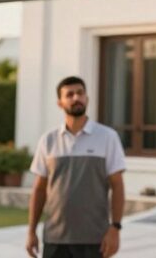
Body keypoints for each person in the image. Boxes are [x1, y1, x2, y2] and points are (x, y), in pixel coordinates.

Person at [26, 76, 126, 258]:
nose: (76, 98)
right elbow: (39, 190)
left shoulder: (107, 137)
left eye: (80, 93)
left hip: (95, 239)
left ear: (86, 98)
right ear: (60, 103)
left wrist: (115, 228)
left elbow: (117, 186)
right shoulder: (48, 140)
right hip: (55, 239)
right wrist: (31, 231)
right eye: (69, 94)